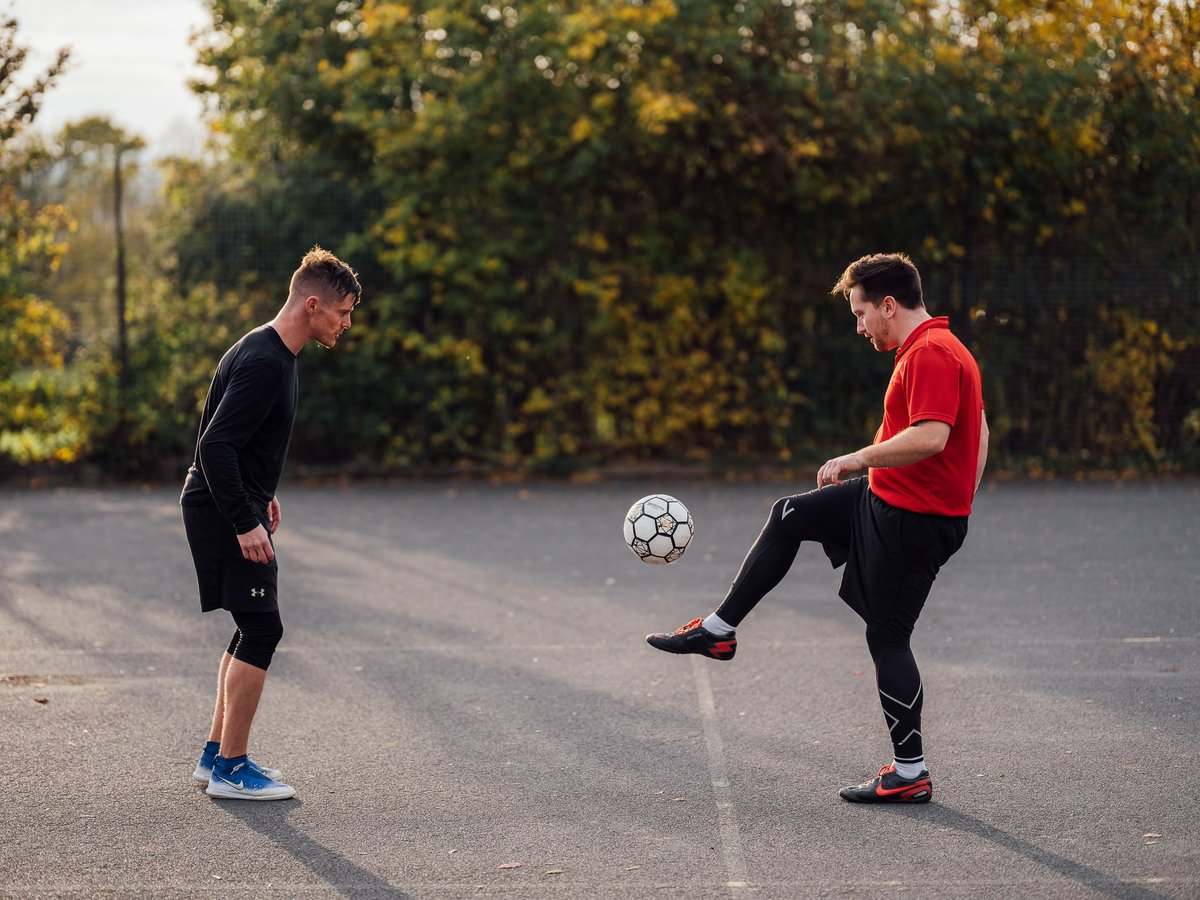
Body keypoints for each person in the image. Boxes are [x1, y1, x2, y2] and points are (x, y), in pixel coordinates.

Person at [646, 252, 987, 804]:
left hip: (913, 519)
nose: (858, 326)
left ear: (889, 305)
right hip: (892, 498)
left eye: (860, 313)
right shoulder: (940, 348)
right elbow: (981, 426)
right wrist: (964, 492)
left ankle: (909, 773)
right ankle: (719, 629)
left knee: (888, 637)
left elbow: (932, 437)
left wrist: (856, 459)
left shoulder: (930, 354)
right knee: (790, 514)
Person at [180, 246, 361, 800]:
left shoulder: (271, 351)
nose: (347, 323)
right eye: (343, 312)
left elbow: (239, 439)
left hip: (233, 502)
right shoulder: (264, 361)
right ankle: (233, 769)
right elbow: (214, 445)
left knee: (250, 627)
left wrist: (263, 493)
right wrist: (243, 519)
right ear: (313, 304)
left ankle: (216, 758)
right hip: (222, 509)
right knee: (263, 629)